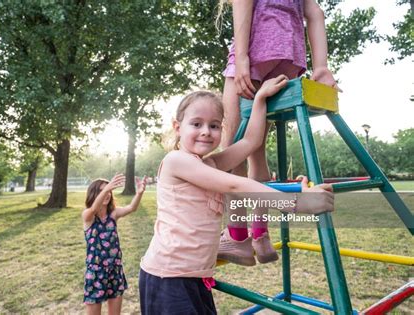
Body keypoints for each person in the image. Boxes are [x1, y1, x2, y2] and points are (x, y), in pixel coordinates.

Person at [139, 82, 334, 314]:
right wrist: (298, 203)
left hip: (195, 276)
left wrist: (259, 100)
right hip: (168, 277)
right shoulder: (175, 161)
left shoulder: (210, 163)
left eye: (214, 126)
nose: (205, 131)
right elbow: (236, 183)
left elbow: (250, 142)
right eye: (196, 124)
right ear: (177, 127)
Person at [216, 0, 341, 265]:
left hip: (257, 47)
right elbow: (314, 13)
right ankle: (260, 236)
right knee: (256, 150)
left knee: (231, 151)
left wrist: (241, 59)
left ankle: (237, 237)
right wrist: (322, 67)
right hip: (289, 57)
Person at [82, 174, 147, 315]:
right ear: (94, 193)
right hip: (96, 273)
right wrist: (107, 188)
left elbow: (132, 208)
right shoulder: (88, 216)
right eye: (102, 191)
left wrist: (139, 193)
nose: (107, 194)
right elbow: (93, 210)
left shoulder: (113, 214)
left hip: (115, 270)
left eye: (109, 191)